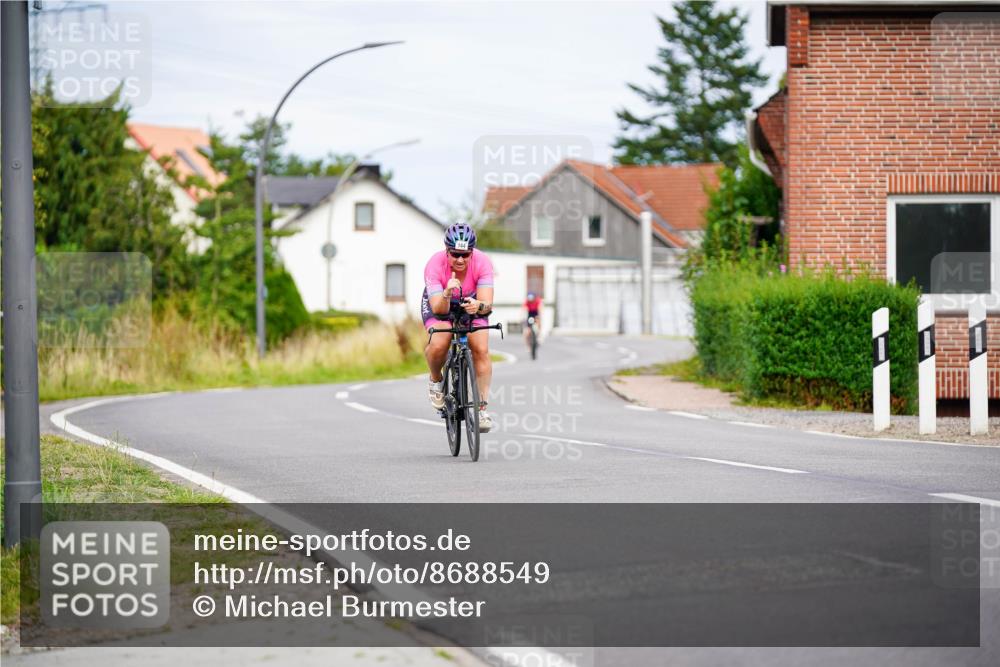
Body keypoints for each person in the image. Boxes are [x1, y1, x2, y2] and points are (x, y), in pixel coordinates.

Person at [421, 223, 495, 432]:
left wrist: (478, 306)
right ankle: (436, 380)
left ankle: (481, 410)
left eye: (466, 254)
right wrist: (446, 293)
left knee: (480, 349)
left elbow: (487, 304)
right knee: (439, 343)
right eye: (455, 254)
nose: (460, 260)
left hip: (470, 305)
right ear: (447, 251)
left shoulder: (482, 262)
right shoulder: (435, 265)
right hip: (440, 303)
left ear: (472, 252)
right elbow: (438, 308)